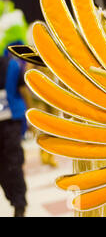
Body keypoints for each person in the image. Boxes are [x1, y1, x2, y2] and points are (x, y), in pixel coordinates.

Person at [0, 44, 28, 217]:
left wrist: (30, 117)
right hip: (9, 120)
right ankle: (15, 199)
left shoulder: (10, 65)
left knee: (14, 162)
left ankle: (19, 203)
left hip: (11, 121)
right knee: (3, 167)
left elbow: (23, 89)